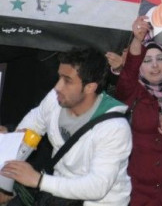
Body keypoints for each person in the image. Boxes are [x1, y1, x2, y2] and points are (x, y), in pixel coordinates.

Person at [0, 48, 132, 205]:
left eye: (67, 80)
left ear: (90, 87)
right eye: (59, 77)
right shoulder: (56, 99)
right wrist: (14, 139)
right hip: (59, 197)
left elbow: (98, 186)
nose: (57, 86)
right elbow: (35, 121)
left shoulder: (114, 128)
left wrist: (39, 180)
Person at [115, 22, 162, 206]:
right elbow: (129, 69)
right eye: (147, 61)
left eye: (160, 58)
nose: (155, 66)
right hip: (137, 190)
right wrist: (137, 39)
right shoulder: (131, 90)